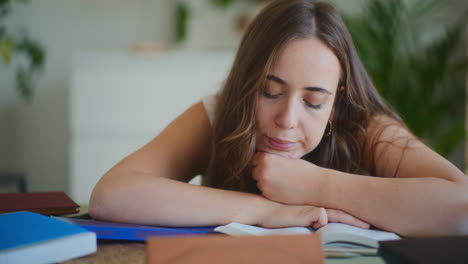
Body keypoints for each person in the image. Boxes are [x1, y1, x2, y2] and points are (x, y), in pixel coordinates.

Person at [89, 0, 468, 237]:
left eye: (314, 102)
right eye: (269, 92)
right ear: (244, 85)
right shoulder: (218, 113)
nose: (287, 119)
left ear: (336, 103)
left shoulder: (369, 129)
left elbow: (461, 208)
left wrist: (316, 185)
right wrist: (268, 211)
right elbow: (112, 195)